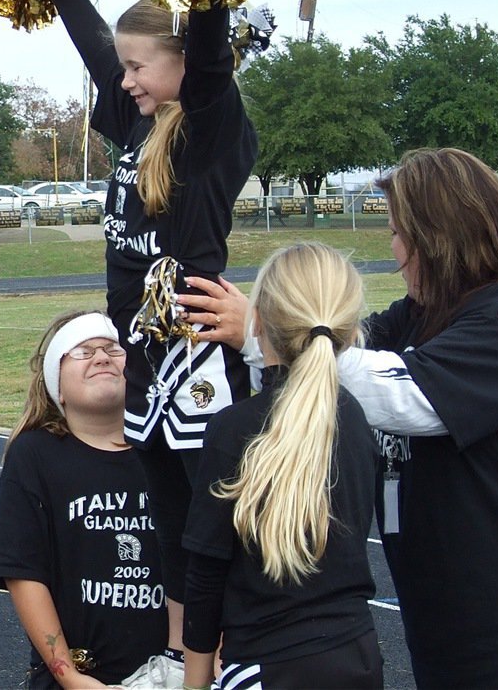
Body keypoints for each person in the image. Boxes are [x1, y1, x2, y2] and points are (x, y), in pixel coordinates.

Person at [179, 147, 498, 689]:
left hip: (494, 617)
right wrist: (279, 332)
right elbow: (336, 345)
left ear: (436, 240)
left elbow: (404, 393)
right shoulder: (424, 312)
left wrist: (269, 329)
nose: (394, 250)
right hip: (441, 611)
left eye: (398, 234)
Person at [51, 0, 257, 685]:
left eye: (139, 66)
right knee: (169, 519)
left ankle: (234, 657)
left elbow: (209, 52)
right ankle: (178, 657)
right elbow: (93, 50)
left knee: (216, 524)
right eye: (125, 67)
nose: (126, 80)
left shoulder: (209, 123)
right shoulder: (136, 118)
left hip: (196, 354)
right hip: (142, 356)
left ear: (185, 62)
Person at [181, 243, 382, 690]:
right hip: (358, 656)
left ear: (256, 320)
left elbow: (205, 577)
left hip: (267, 662)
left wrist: (193, 684)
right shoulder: (355, 420)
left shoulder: (235, 429)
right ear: (349, 330)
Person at [0, 311, 167, 688]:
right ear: (57, 386)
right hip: (80, 678)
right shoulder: (34, 456)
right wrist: (68, 675)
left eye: (113, 349)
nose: (101, 358)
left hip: (171, 673)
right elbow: (23, 573)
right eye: (83, 352)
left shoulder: (168, 452)